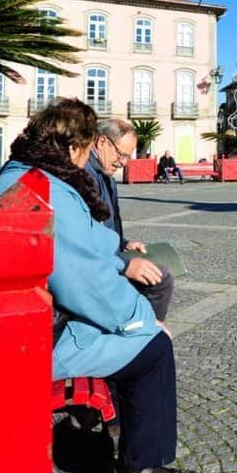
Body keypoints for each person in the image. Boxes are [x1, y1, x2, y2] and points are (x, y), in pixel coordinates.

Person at [0, 99, 197, 473]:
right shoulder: (46, 188)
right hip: (29, 340)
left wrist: (118, 257)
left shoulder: (19, 174)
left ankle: (127, 440)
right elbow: (85, 284)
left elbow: (88, 242)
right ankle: (140, 470)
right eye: (84, 151)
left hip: (16, 317)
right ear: (73, 147)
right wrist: (141, 320)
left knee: (144, 332)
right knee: (153, 349)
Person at [89, 118, 174, 324]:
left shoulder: (104, 173)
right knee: (161, 280)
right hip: (97, 268)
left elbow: (104, 226)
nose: (124, 162)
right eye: (122, 154)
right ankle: (150, 336)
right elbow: (86, 235)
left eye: (128, 156)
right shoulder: (87, 175)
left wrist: (124, 243)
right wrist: (125, 264)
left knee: (160, 273)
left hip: (111, 256)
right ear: (102, 142)